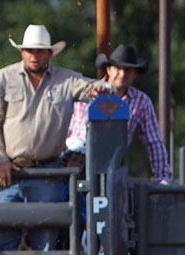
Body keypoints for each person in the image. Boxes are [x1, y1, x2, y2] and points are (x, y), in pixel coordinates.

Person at [0, 25, 106, 255]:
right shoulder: (2, 78)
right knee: (2, 240)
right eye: (30, 50)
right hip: (9, 170)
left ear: (49, 53)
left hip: (47, 170)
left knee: (45, 242)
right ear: (22, 52)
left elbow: (91, 88)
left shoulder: (66, 80)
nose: (34, 55)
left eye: (40, 51)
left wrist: (101, 88)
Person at [66, 44, 172, 183]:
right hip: (77, 166)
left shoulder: (141, 102)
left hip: (114, 170)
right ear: (109, 70)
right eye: (118, 68)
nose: (122, 74)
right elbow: (66, 130)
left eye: (127, 70)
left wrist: (163, 177)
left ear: (134, 74)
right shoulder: (86, 92)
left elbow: (154, 142)